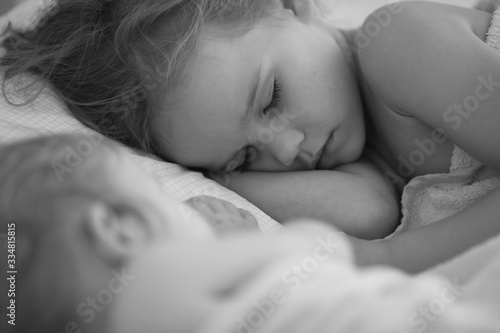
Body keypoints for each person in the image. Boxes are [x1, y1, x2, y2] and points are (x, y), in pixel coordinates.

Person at [2, 0, 500, 272]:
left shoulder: (396, 40)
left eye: (272, 98)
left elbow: (380, 241)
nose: (286, 149)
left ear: (291, 5)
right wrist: (220, 178)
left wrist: (391, 259)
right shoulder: (354, 152)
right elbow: (367, 213)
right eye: (245, 157)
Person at [1, 134, 500, 333]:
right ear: (121, 227)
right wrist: (243, 240)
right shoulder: (163, 273)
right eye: (154, 189)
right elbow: (317, 248)